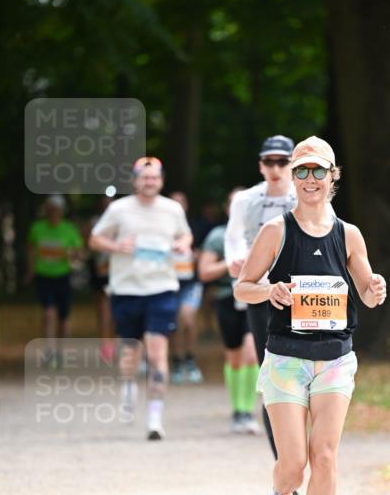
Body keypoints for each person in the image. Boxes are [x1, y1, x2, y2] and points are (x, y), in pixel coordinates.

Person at [234, 137, 386, 495]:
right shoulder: (276, 231)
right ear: (293, 179)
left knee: (324, 454)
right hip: (286, 359)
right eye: (302, 171)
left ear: (333, 176)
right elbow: (243, 286)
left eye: (319, 171)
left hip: (336, 358)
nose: (310, 179)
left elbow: (368, 293)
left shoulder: (349, 235)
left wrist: (375, 289)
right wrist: (269, 291)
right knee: (293, 465)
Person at [89, 156, 192, 441]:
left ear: (161, 180)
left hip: (161, 288)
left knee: (158, 352)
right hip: (126, 289)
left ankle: (155, 418)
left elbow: (186, 237)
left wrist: (181, 246)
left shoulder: (172, 209)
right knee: (130, 351)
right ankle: (128, 386)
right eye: (144, 177)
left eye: (155, 177)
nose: (150, 182)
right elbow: (95, 239)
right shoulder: (119, 209)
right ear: (135, 180)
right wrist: (117, 245)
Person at [225, 135, 296, 457]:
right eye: (270, 161)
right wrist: (237, 261)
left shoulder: (305, 196)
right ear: (261, 165)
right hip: (261, 292)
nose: (276, 168)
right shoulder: (246, 200)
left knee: (302, 370)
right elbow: (234, 237)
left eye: (283, 161)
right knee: (270, 371)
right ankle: (281, 459)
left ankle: (302, 452)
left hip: (299, 293)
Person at [199, 188, 261, 435]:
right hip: (227, 298)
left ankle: (248, 411)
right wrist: (230, 263)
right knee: (234, 358)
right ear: (229, 208)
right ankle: (237, 410)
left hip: (255, 298)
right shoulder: (218, 236)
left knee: (251, 354)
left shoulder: (265, 230)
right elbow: (203, 272)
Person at [26, 194, 83, 365]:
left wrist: (73, 256)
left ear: (61, 211)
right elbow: (30, 248)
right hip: (44, 276)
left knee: (64, 319)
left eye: (56, 210)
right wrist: (31, 269)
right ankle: (49, 352)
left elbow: (79, 253)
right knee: (48, 313)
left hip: (63, 276)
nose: (53, 213)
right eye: (50, 209)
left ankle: (62, 353)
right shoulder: (37, 228)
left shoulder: (69, 229)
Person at [168, 191, 205, 385]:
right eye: (174, 203)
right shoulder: (162, 226)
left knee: (188, 319)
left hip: (191, 282)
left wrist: (197, 255)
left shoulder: (196, 227)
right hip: (169, 282)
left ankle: (190, 358)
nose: (178, 206)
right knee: (173, 323)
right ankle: (176, 360)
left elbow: (205, 252)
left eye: (181, 202)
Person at [85, 195, 116, 363]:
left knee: (119, 310)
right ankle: (106, 346)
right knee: (103, 309)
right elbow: (87, 245)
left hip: (119, 273)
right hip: (101, 272)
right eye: (104, 200)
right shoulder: (94, 222)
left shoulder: (122, 220)